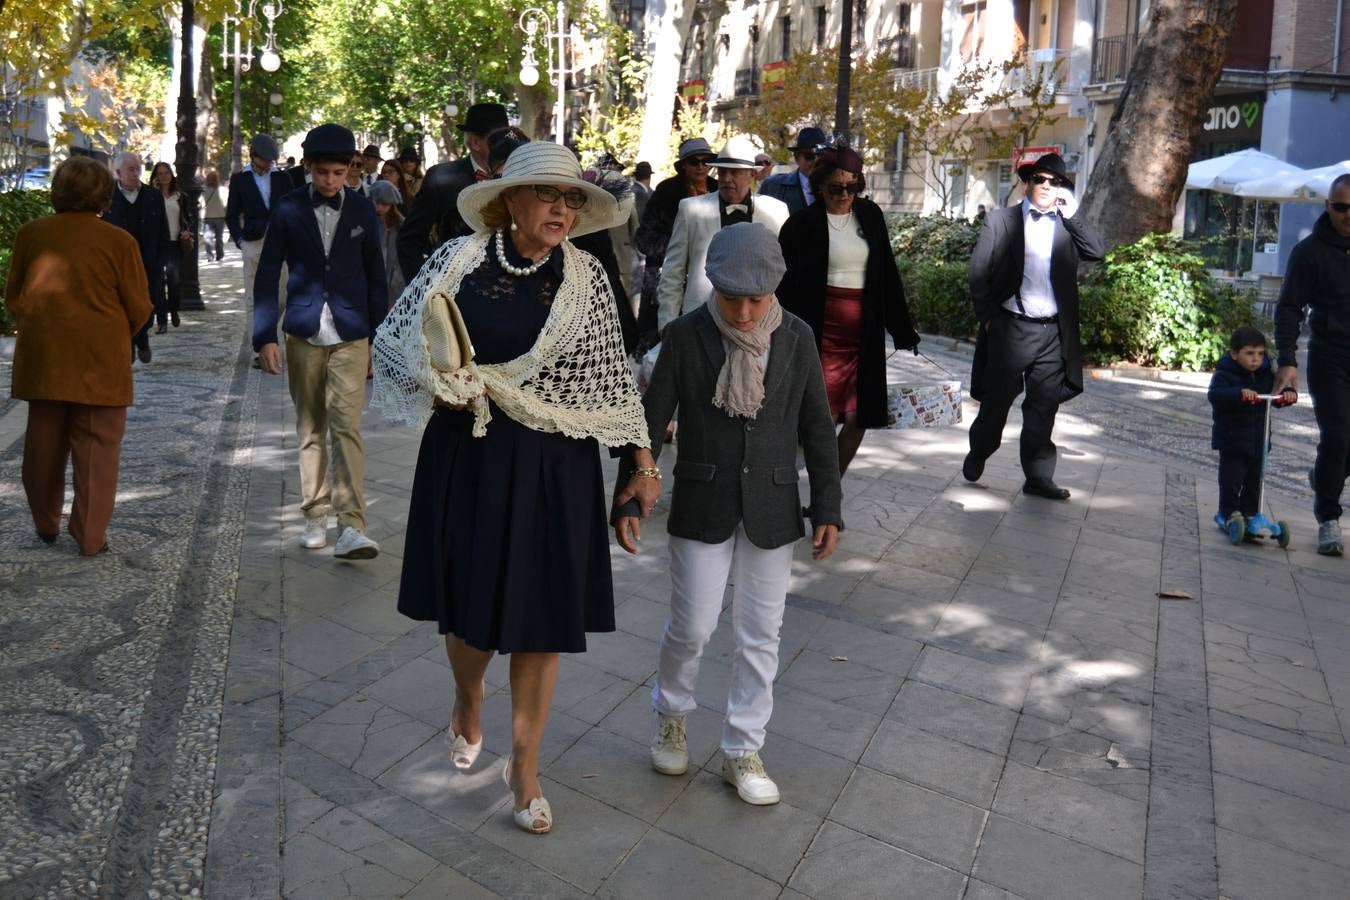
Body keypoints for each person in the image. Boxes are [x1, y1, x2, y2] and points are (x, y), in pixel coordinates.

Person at [370, 141, 647, 835]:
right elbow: (398, 344)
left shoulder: (589, 276)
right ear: (509, 201)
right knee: (469, 619)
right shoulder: (458, 260)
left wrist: (641, 464)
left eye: (572, 198)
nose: (562, 208)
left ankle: (523, 768)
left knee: (543, 619)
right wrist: (439, 390)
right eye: (549, 194)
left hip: (558, 463)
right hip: (471, 455)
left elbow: (613, 378)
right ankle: (468, 696)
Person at [613, 222, 842, 806]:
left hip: (772, 504)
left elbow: (818, 428)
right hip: (701, 500)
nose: (742, 313)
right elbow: (650, 419)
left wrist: (828, 507)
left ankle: (743, 747)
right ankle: (671, 715)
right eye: (731, 297)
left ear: (774, 291)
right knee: (692, 628)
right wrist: (630, 492)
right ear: (712, 285)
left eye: (755, 300)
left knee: (761, 635)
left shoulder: (797, 337)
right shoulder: (687, 335)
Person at [251, 123, 388, 559]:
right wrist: (263, 336)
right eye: (322, 172)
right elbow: (269, 271)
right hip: (303, 332)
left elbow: (376, 279)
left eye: (338, 172)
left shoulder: (364, 212)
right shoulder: (289, 208)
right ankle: (314, 513)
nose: (329, 180)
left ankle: (352, 526)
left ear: (351, 168)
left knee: (347, 426)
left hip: (351, 333)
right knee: (310, 428)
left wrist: (377, 341)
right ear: (308, 167)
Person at [5, 157, 153, 554]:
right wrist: (113, 331)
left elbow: (15, 297)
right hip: (100, 359)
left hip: (45, 356)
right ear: (105, 196)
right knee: (98, 448)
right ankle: (90, 535)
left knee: (42, 442)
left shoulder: (30, 234)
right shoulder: (120, 242)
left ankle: (45, 522)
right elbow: (139, 306)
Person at [962, 153, 1106, 500]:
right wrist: (991, 322)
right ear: (1028, 183)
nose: (1045, 186)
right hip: (1012, 329)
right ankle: (980, 449)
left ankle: (1038, 477)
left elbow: (1097, 251)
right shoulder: (1001, 221)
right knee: (996, 403)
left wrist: (1072, 214)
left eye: (1054, 182)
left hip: (1053, 333)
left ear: (1062, 189)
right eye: (1039, 179)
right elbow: (978, 275)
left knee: (1043, 408)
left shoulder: (1066, 226)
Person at [777, 146, 920, 474]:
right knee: (823, 417)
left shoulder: (870, 215)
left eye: (853, 187)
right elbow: (783, 285)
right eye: (836, 187)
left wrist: (902, 329)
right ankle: (822, 491)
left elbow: (887, 273)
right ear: (819, 185)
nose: (845, 194)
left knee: (861, 414)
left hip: (864, 333)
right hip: (820, 332)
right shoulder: (801, 225)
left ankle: (830, 490)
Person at [1274, 173, 1350, 556]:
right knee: (1337, 437)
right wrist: (1287, 359)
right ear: (1328, 206)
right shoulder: (1310, 252)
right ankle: (1328, 519)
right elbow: (1289, 307)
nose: (1348, 215)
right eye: (1342, 207)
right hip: (1330, 357)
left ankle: (1323, 478)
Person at [656, 135, 790, 332]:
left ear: (752, 174)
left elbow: (783, 272)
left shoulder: (776, 211)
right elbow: (672, 272)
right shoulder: (691, 210)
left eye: (735, 172)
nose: (726, 179)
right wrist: (667, 326)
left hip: (758, 323)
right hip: (702, 319)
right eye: (722, 171)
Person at [397, 102, 510, 281]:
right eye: (499, 140)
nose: (507, 145)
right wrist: (425, 292)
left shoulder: (520, 177)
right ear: (475, 142)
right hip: (455, 295)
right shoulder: (441, 178)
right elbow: (409, 240)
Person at [1208, 326, 1297, 535]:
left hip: (1259, 440)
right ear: (1234, 353)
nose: (1255, 359)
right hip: (1233, 441)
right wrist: (1238, 393)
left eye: (1259, 354)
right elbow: (1216, 396)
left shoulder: (1266, 375)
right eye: (1249, 353)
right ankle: (1227, 513)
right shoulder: (1225, 374)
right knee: (1232, 480)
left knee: (1256, 480)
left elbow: (1273, 397)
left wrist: (1287, 395)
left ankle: (1250, 513)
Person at [633, 139, 717, 348]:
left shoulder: (718, 189)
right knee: (663, 347)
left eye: (705, 161)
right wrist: (678, 250)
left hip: (709, 280)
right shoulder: (666, 191)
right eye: (694, 161)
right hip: (667, 278)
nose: (700, 166)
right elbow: (644, 238)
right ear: (684, 165)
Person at [103, 151, 166, 364]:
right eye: (131, 169)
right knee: (121, 305)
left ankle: (142, 337)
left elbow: (163, 230)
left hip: (148, 262)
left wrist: (161, 259)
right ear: (118, 171)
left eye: (138, 168)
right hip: (118, 264)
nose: (136, 173)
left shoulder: (152, 195)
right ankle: (128, 344)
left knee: (148, 304)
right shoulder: (107, 196)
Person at [150, 161, 190, 331]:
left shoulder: (180, 197)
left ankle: (173, 309)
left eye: (166, 172)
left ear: (171, 175)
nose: (163, 176)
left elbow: (188, 219)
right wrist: (152, 191)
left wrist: (187, 232)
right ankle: (162, 321)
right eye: (159, 173)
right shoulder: (150, 196)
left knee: (173, 280)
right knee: (158, 283)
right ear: (155, 176)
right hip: (157, 244)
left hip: (174, 243)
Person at [758, 126, 827, 215]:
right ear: (797, 158)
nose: (816, 161)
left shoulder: (837, 186)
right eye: (809, 156)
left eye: (821, 155)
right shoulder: (773, 186)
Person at [368, 178, 407, 303]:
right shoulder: (367, 218)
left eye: (385, 204)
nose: (379, 207)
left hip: (394, 271)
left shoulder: (400, 223)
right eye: (377, 202)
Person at [202, 169, 228, 261]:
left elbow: (200, 204)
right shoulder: (223, 190)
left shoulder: (203, 191)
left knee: (208, 237)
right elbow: (226, 205)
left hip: (208, 217)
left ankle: (210, 256)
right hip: (220, 217)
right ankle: (220, 255)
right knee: (219, 237)